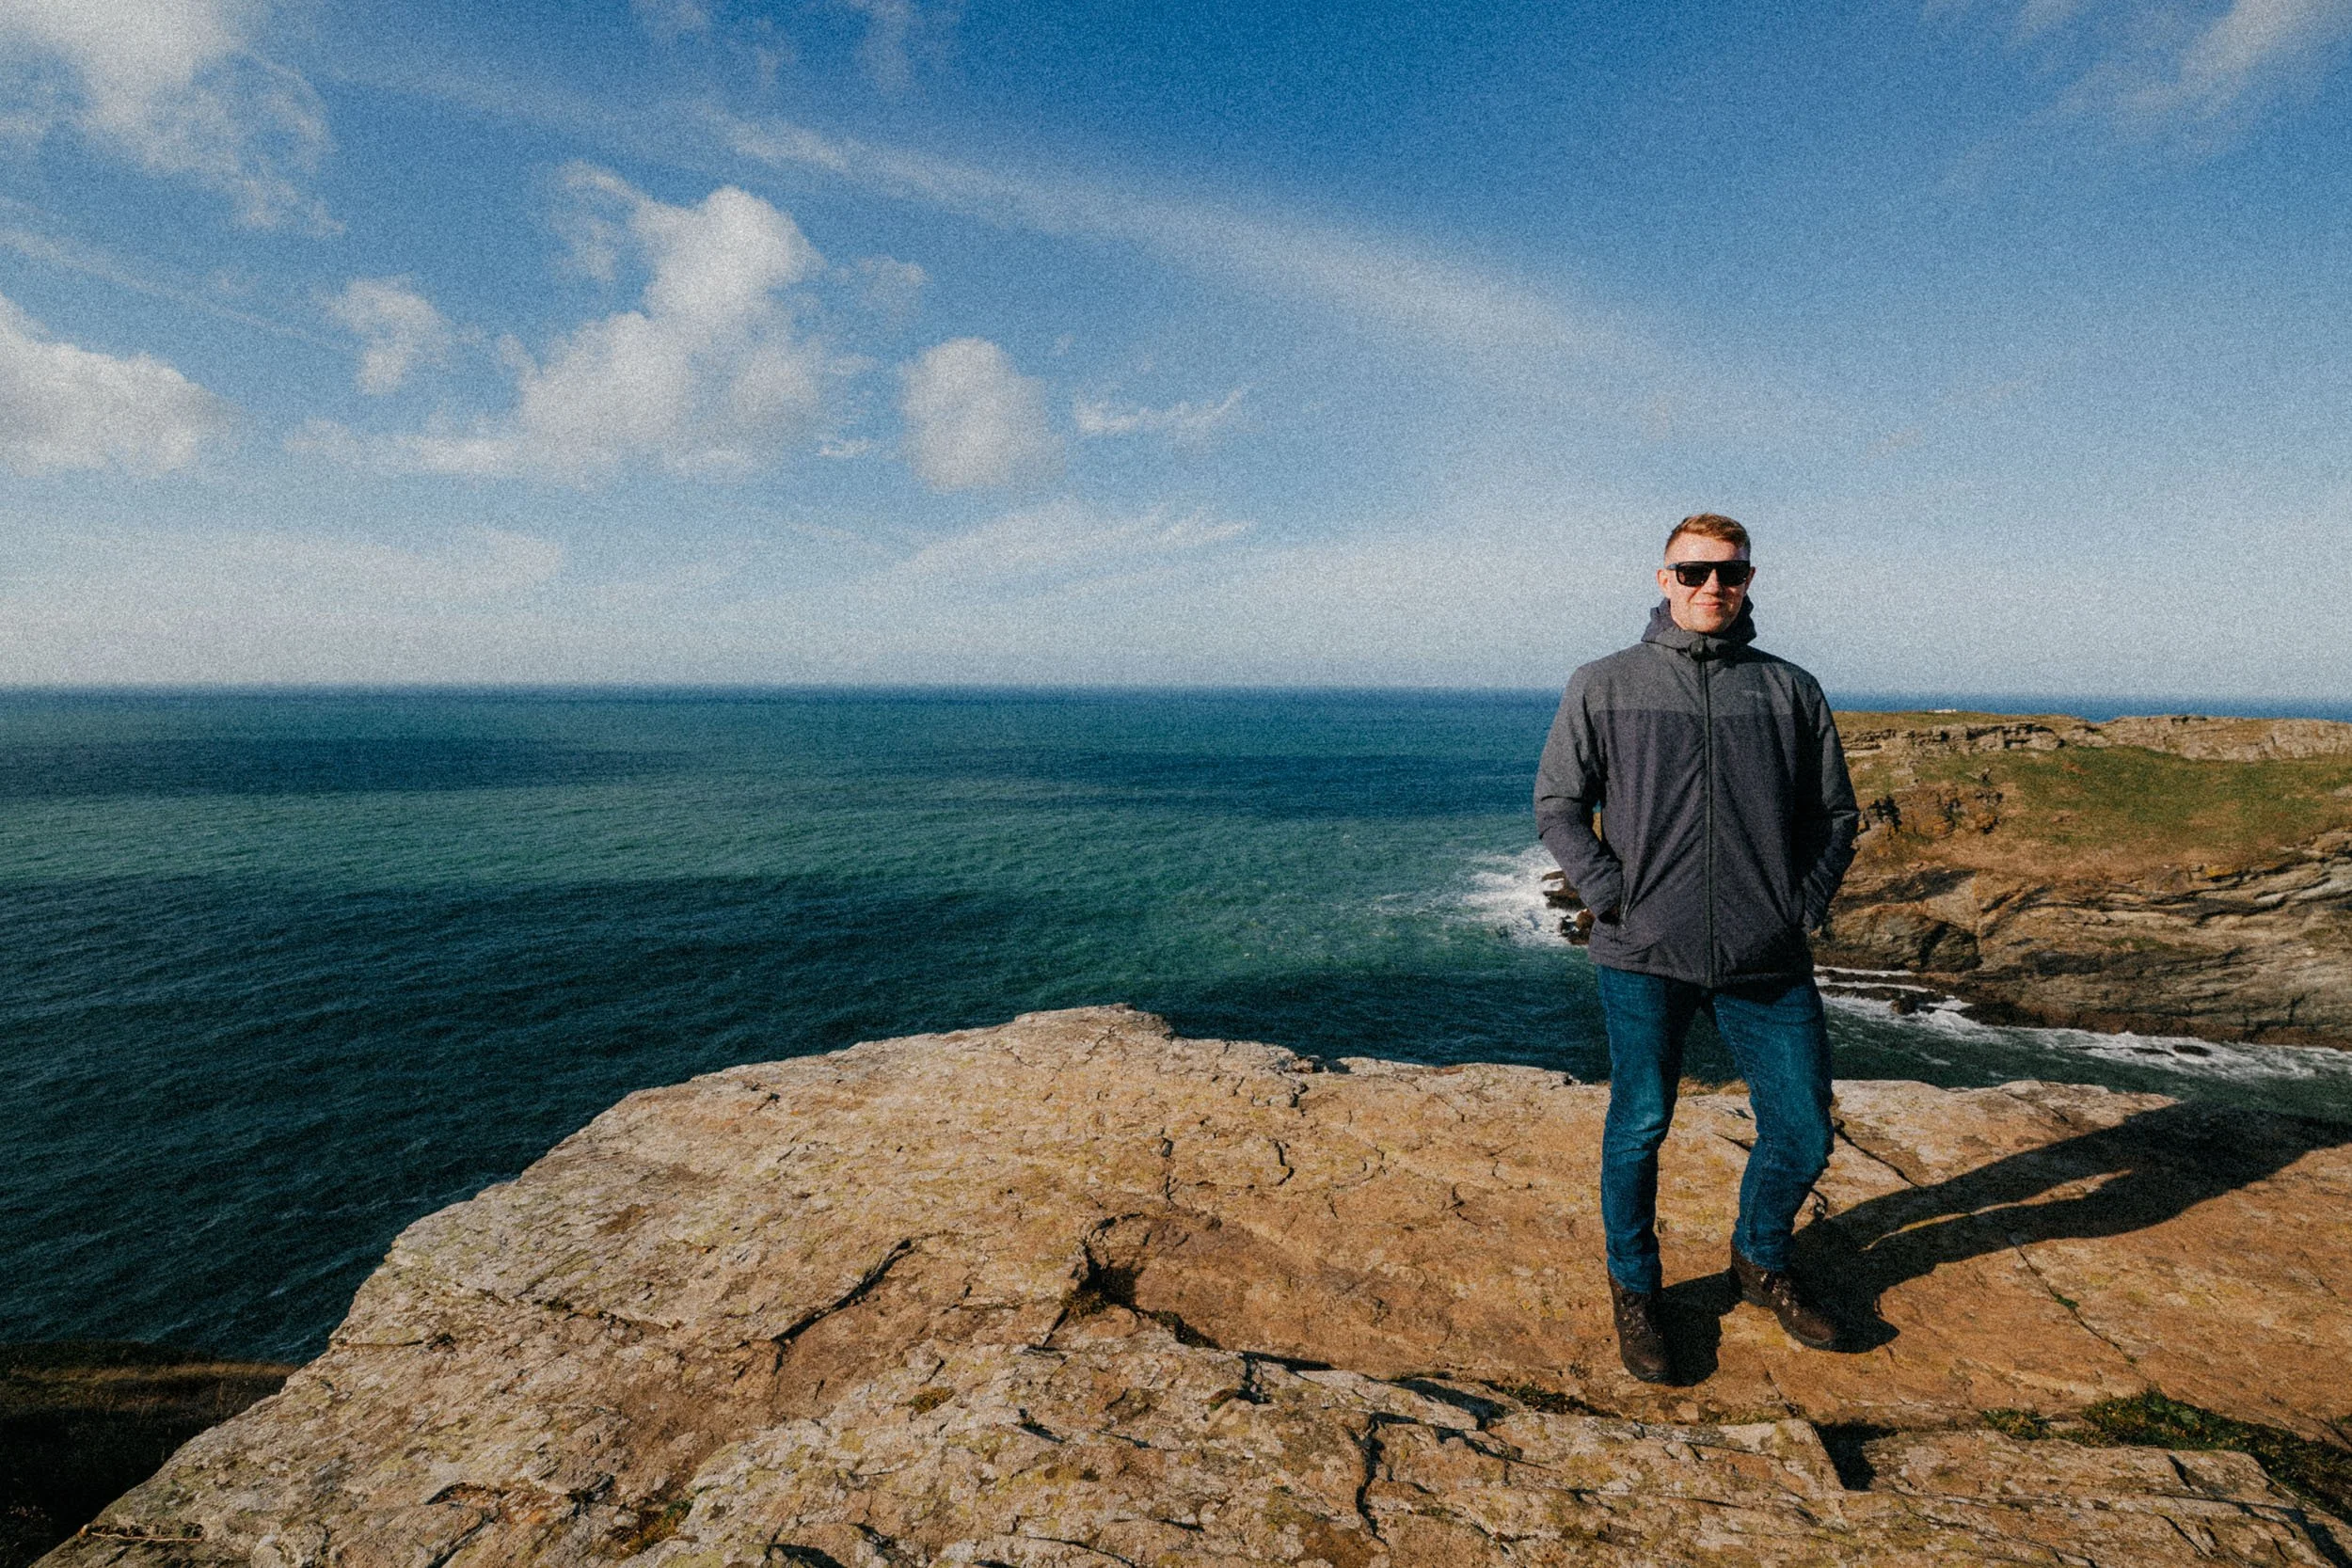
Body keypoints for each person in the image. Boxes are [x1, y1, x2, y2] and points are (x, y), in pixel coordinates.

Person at [1534, 513, 1859, 1384]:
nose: (1711, 586)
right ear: (1662, 576)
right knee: (1640, 1124)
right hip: (1643, 953)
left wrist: (1799, 903)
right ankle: (1636, 1288)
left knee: (1802, 1127)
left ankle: (1760, 1258)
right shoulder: (1603, 683)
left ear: (1750, 580)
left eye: (1730, 572)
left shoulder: (1790, 689)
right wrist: (1611, 897)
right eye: (1693, 571)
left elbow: (1835, 816)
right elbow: (1559, 806)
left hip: (1768, 955)